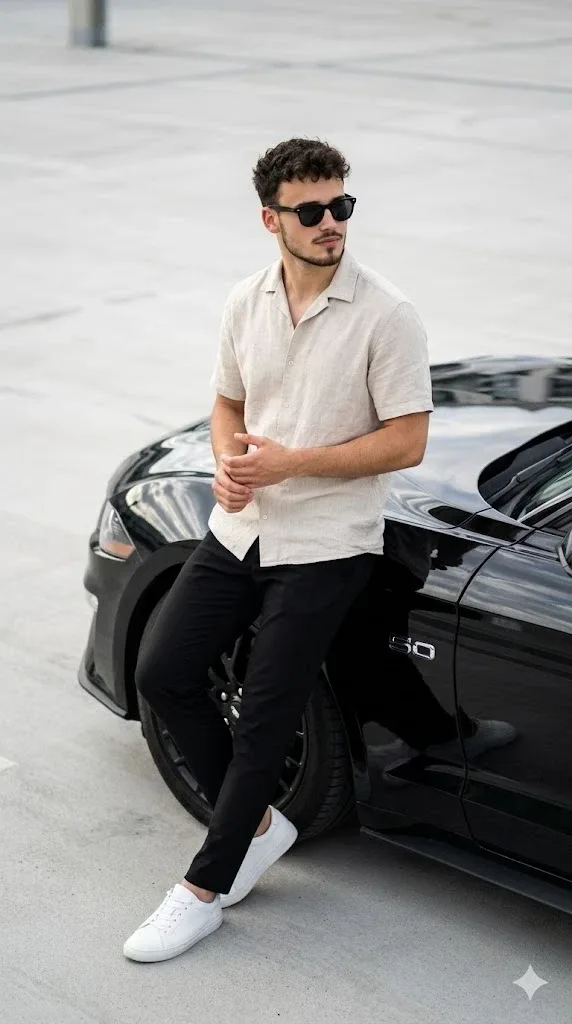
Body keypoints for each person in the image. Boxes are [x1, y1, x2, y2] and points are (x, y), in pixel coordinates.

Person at [124, 137, 434, 962]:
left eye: (342, 206)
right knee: (163, 671)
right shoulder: (246, 300)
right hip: (244, 526)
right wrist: (229, 461)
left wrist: (293, 462)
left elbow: (407, 441)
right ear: (272, 220)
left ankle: (203, 889)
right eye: (312, 211)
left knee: (267, 717)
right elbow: (228, 402)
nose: (332, 222)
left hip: (328, 541)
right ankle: (258, 824)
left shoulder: (388, 315)